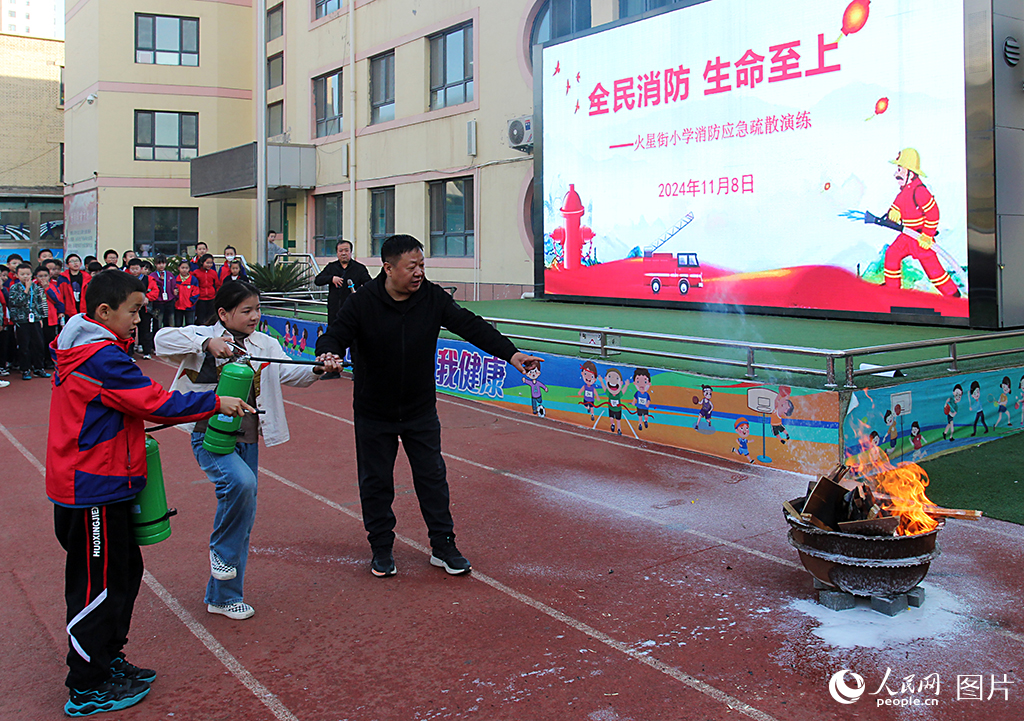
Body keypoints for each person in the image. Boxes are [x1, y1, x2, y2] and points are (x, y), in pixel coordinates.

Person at [47, 269, 251, 716]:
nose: (141, 318)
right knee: (95, 586)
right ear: (104, 312)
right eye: (135, 310)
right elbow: (156, 401)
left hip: (106, 483)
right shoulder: (100, 357)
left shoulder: (100, 349)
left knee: (124, 573)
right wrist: (217, 401)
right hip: (90, 490)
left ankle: (108, 659)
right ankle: (87, 683)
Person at [315, 234, 541, 578]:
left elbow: (470, 325)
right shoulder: (362, 302)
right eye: (412, 266)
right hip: (374, 412)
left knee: (432, 477)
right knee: (376, 482)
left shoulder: (431, 297)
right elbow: (336, 334)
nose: (420, 272)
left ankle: (443, 545)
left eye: (422, 264)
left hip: (420, 409)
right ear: (388, 269)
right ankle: (381, 548)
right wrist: (328, 352)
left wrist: (511, 354)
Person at [155, 282, 339, 619]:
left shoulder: (266, 343)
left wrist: (317, 368)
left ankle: (223, 596)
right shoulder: (201, 336)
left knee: (243, 511)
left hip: (249, 437)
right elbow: (161, 340)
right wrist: (207, 343)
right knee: (241, 485)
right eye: (246, 310)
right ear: (223, 314)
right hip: (208, 433)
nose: (255, 316)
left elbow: (288, 372)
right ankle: (221, 553)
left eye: (257, 309)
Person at [883, 149, 960, 296]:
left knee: (933, 271)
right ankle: (892, 292)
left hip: (919, 236)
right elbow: (898, 205)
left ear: (910, 173)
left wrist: (927, 235)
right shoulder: (905, 190)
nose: (896, 174)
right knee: (892, 255)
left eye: (900, 170)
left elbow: (933, 213)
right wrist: (894, 212)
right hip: (907, 236)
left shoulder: (920, 191)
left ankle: (953, 295)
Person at [314, 239, 371, 378]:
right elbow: (317, 280)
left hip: (354, 312)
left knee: (356, 342)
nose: (343, 253)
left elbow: (369, 284)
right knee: (334, 340)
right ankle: (333, 371)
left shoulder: (359, 268)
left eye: (346, 250)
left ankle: (357, 372)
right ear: (337, 253)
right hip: (335, 310)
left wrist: (360, 293)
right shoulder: (331, 267)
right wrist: (331, 278)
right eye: (341, 251)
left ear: (351, 252)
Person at [7, 263, 51, 381]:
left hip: (35, 319)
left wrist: (41, 317)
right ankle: (25, 369)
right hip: (21, 321)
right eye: (22, 274)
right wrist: (26, 289)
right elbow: (16, 302)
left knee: (38, 345)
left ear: (32, 275)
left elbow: (41, 303)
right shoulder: (14, 288)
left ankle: (39, 368)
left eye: (28, 274)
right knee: (24, 346)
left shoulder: (36, 288)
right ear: (17, 275)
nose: (25, 277)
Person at [57, 253, 91, 320]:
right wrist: (61, 311)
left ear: (81, 263)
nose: (75, 263)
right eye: (72, 261)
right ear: (67, 265)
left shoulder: (87, 277)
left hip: (84, 310)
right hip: (68, 311)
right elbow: (60, 296)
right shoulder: (63, 278)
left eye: (77, 261)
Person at [192, 253, 221, 323]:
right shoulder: (196, 273)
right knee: (200, 317)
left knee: (210, 317)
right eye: (207, 263)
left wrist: (217, 294)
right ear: (202, 262)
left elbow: (217, 285)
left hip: (211, 298)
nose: (209, 265)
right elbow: (194, 285)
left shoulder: (213, 273)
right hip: (200, 298)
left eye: (211, 263)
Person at [149, 255, 176, 330]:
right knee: (158, 321)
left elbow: (174, 286)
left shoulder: (169, 274)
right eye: (159, 263)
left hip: (169, 301)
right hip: (158, 302)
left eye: (163, 263)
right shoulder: (152, 276)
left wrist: (175, 293)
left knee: (171, 321)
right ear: (155, 264)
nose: (161, 265)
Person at [173, 259, 199, 326]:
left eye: (186, 268)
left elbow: (196, 293)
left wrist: (191, 302)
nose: (184, 270)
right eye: (182, 268)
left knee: (190, 326)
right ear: (179, 268)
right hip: (178, 306)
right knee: (178, 326)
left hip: (189, 307)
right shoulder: (175, 279)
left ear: (189, 268)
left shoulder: (193, 280)